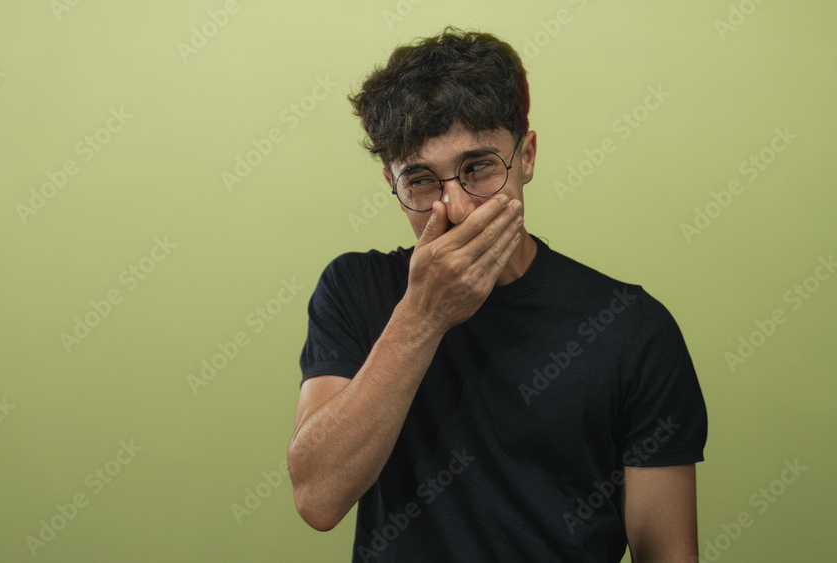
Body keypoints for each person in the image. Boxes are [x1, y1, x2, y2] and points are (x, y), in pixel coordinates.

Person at [287, 27, 707, 562]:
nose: (457, 208)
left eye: (478, 168)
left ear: (526, 156)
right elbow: (317, 498)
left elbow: (668, 554)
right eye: (420, 180)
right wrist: (422, 315)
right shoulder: (354, 289)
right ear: (393, 188)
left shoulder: (632, 328)